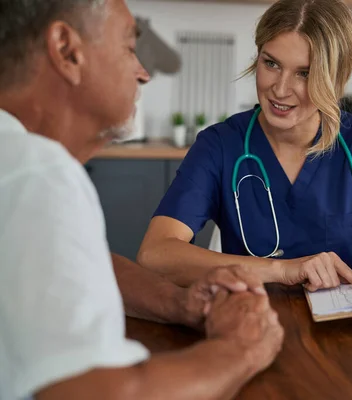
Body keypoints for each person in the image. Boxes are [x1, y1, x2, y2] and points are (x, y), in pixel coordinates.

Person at [0, 1, 283, 399]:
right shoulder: (36, 173)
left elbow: (73, 266)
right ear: (67, 50)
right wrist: (242, 349)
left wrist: (179, 302)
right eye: (129, 49)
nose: (143, 73)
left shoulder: (14, 163)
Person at [138, 0, 352, 292]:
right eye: (271, 63)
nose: (280, 89)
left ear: (335, 78)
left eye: (304, 73)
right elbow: (156, 254)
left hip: (345, 334)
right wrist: (282, 270)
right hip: (247, 325)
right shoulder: (220, 146)